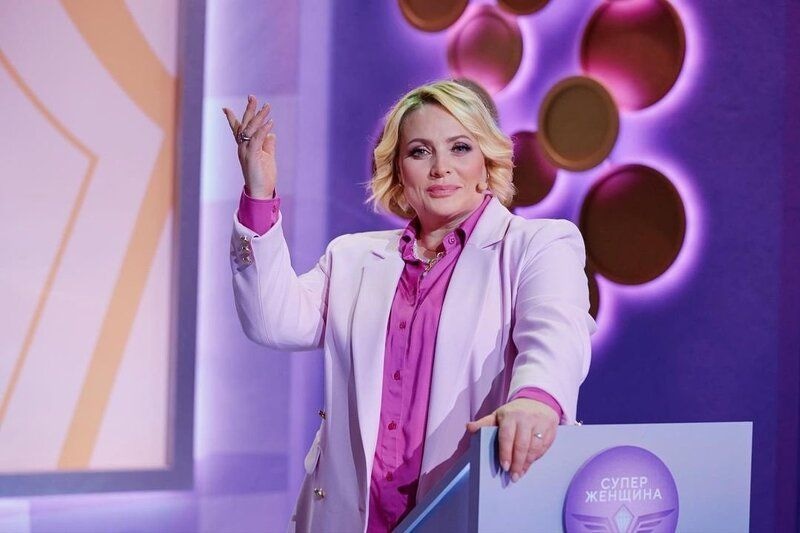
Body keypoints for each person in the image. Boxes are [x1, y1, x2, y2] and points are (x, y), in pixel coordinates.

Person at [223, 80, 596, 533]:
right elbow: (272, 322)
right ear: (398, 171)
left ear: (486, 162)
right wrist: (259, 195)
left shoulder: (536, 245)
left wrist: (536, 401)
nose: (441, 168)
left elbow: (556, 334)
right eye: (420, 152)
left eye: (460, 147)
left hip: (468, 512)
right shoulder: (352, 257)